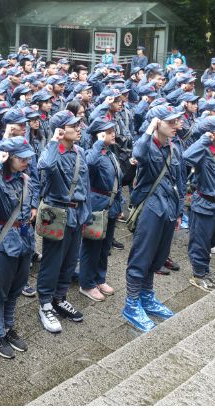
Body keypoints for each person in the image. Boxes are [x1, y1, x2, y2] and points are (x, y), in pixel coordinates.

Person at [123, 105, 183, 332]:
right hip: (151, 208)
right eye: (171, 122)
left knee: (157, 257)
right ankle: (131, 304)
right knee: (141, 257)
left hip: (168, 208)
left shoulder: (174, 148)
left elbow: (180, 180)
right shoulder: (147, 147)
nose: (177, 125)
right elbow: (137, 153)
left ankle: (147, 297)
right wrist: (149, 128)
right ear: (157, 123)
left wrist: (179, 212)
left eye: (177, 121)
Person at [35, 110, 91, 333]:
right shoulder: (51, 153)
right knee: (52, 261)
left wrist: (85, 214)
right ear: (60, 130)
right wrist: (53, 141)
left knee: (70, 260)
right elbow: (46, 167)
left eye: (79, 124)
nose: (78, 129)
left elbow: (85, 185)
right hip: (57, 214)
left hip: (77, 214)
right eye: (73, 126)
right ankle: (45, 303)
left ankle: (60, 297)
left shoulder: (80, 152)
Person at [0, 138, 35, 359]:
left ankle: (8, 327)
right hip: (5, 240)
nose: (26, 162)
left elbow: (34, 194)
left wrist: (33, 209)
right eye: (21, 158)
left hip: (25, 240)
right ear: (9, 158)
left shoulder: (24, 179)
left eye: (27, 158)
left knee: (16, 287)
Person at [182, 117, 215, 292]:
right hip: (204, 204)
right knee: (200, 242)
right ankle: (198, 274)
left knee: (212, 241)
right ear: (211, 134)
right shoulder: (203, 150)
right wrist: (203, 140)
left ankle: (205, 270)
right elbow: (186, 157)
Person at [78, 120, 122, 302]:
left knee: (105, 246)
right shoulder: (93, 152)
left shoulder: (109, 153)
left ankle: (99, 278)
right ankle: (87, 284)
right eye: (108, 131)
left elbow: (117, 180)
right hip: (97, 205)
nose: (113, 134)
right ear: (98, 134)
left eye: (113, 131)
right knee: (92, 246)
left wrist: (119, 204)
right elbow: (88, 164)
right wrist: (98, 143)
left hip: (111, 205)